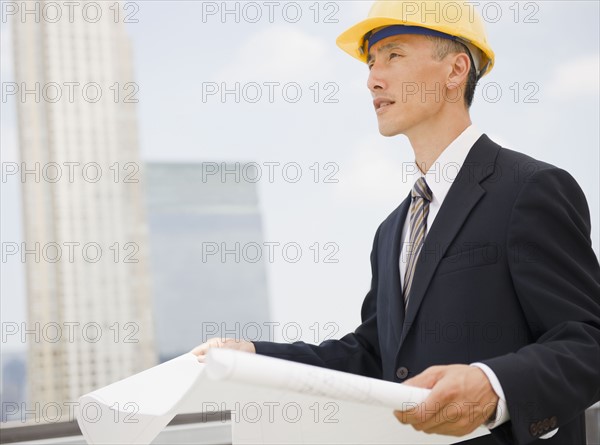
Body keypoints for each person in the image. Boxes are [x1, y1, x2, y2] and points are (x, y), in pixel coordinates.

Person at [192, 2, 600, 444]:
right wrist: (254, 357)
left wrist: (493, 384)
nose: (373, 78)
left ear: (456, 70)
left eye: (394, 55)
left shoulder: (529, 189)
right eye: (370, 63)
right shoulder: (392, 230)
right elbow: (371, 355)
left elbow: (588, 341)